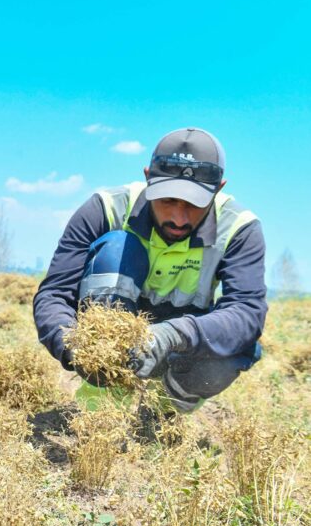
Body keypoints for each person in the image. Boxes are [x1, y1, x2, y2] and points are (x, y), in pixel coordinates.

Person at [34, 127, 266, 415]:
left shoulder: (239, 228)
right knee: (118, 247)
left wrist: (172, 334)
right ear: (148, 177)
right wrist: (74, 347)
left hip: (182, 338)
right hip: (116, 324)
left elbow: (247, 313)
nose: (178, 218)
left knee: (239, 347)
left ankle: (164, 412)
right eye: (167, 199)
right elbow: (54, 294)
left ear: (218, 188)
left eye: (194, 204)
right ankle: (104, 400)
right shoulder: (106, 208)